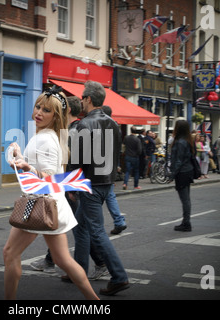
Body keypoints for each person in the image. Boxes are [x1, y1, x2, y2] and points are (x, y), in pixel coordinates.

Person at [3, 87, 99, 300]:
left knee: (10, 253)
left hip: (39, 204)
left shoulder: (45, 138)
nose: (39, 112)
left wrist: (28, 168)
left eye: (46, 110)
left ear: (55, 115)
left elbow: (50, 175)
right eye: (38, 107)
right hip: (52, 204)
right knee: (62, 259)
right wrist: (20, 158)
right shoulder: (51, 135)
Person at [69, 81, 129, 296]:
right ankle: (78, 271)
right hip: (106, 183)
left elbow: (77, 160)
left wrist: (70, 185)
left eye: (83, 98)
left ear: (88, 99)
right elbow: (115, 155)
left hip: (89, 185)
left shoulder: (84, 124)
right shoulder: (113, 123)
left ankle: (119, 276)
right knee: (80, 226)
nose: (82, 102)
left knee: (96, 231)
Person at [101, 105, 127, 235]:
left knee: (95, 197)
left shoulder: (99, 127)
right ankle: (119, 221)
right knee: (109, 196)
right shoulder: (116, 127)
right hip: (110, 165)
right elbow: (117, 149)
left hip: (99, 166)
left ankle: (92, 225)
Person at [168, 120, 195, 232]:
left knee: (185, 199)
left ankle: (186, 223)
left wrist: (172, 175)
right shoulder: (188, 140)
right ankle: (186, 221)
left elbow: (178, 160)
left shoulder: (179, 142)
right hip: (188, 170)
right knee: (186, 199)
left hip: (182, 173)